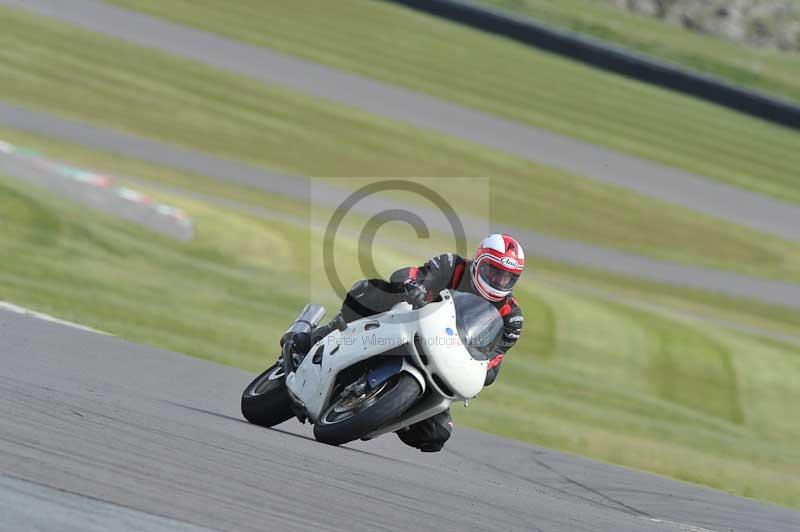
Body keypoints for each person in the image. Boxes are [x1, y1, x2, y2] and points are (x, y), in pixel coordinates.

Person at [293, 234, 525, 452]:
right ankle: (319, 337)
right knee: (370, 291)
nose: (498, 280)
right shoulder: (452, 265)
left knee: (436, 434)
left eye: (507, 277)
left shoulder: (511, 317)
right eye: (493, 271)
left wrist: (480, 372)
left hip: (444, 361)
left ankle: (389, 410)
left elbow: (492, 361)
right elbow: (412, 274)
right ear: (478, 262)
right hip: (409, 325)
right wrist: (413, 286)